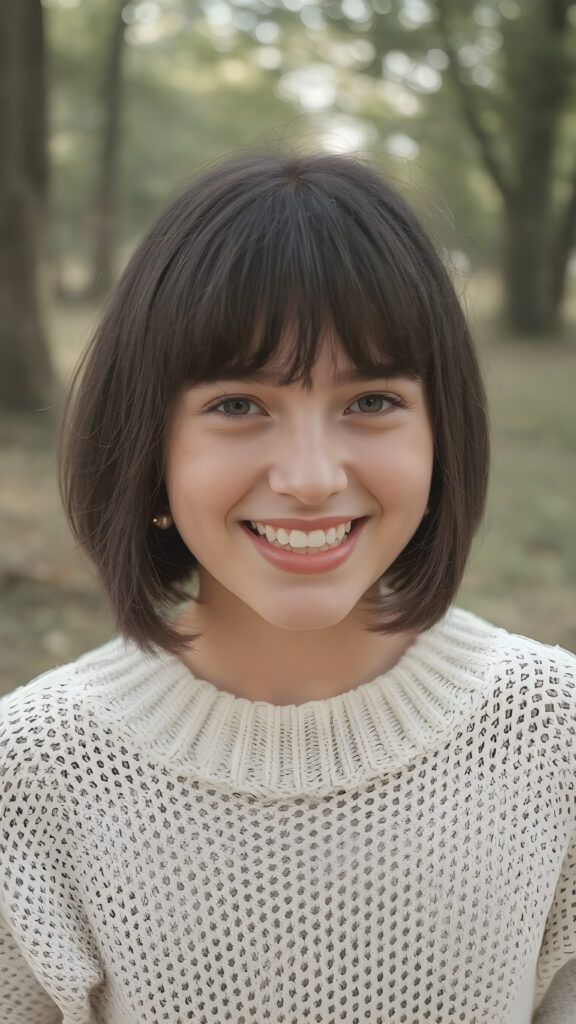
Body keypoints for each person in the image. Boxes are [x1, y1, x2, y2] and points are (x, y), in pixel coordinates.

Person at [0, 151, 575, 1024]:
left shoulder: (553, 735)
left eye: (372, 400)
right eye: (238, 404)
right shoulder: (34, 772)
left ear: (441, 432)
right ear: (147, 445)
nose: (310, 477)